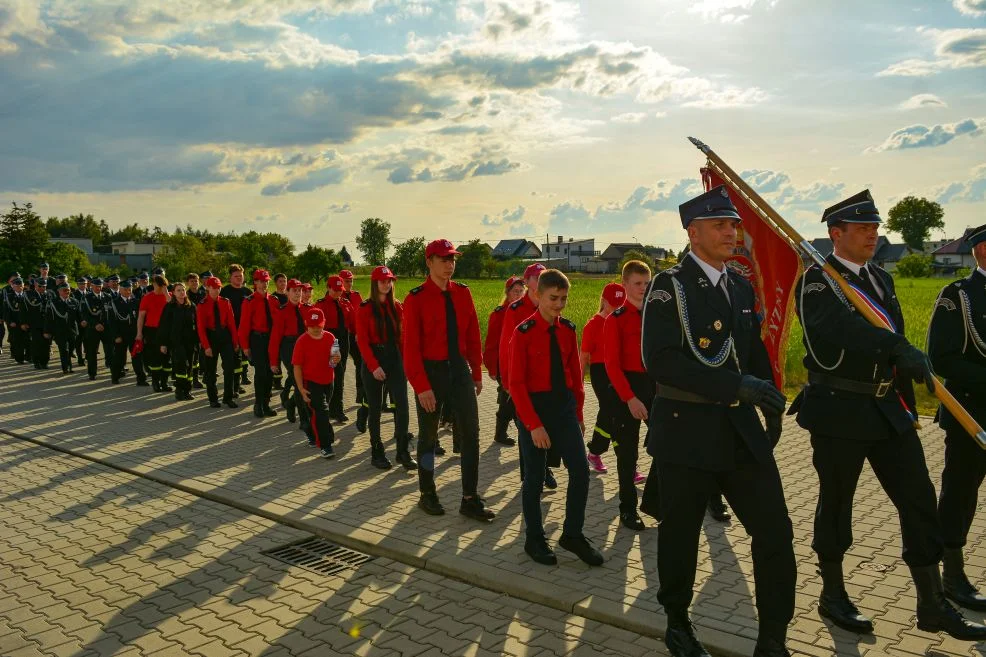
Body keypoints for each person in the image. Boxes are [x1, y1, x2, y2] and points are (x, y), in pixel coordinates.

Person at [790, 190, 986, 641]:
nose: (872, 236)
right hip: (839, 409)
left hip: (884, 409)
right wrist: (897, 348)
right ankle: (833, 594)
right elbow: (841, 331)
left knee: (918, 499)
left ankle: (932, 603)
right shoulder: (820, 280)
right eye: (862, 229)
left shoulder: (881, 278)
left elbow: (891, 336)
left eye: (875, 228)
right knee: (837, 504)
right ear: (835, 234)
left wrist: (908, 395)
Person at [642, 186, 794, 657]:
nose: (733, 232)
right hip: (685, 429)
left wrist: (768, 399)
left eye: (734, 225)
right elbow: (660, 361)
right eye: (721, 225)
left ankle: (772, 637)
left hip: (738, 433)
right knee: (681, 534)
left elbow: (752, 352)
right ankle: (677, 622)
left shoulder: (741, 286)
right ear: (693, 232)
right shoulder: (670, 286)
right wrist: (735, 387)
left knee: (775, 532)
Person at [508, 269, 603, 567]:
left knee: (580, 470)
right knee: (534, 478)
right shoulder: (522, 332)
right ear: (537, 296)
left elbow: (575, 376)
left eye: (563, 298)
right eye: (553, 298)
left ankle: (572, 534)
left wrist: (578, 414)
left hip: (563, 408)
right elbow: (516, 384)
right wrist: (533, 425)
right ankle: (533, 539)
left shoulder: (567, 329)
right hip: (534, 409)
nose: (559, 304)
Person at [403, 239, 495, 521]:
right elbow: (409, 348)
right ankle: (427, 492)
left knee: (471, 434)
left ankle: (469, 498)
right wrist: (422, 387)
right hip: (431, 373)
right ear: (429, 262)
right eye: (443, 259)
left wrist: (476, 373)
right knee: (429, 437)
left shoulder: (462, 294)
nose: (449, 264)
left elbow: (471, 335)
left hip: (459, 370)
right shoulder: (415, 298)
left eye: (452, 259)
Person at [928, 222, 986, 612]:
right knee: (960, 496)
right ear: (981, 251)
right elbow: (941, 358)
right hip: (972, 413)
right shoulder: (959, 296)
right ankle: (952, 574)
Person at [603, 260, 654, 530]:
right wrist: (630, 398)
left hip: (654, 387)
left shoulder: (656, 315)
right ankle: (627, 509)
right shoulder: (615, 320)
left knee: (667, 446)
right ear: (625, 285)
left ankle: (657, 503)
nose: (643, 288)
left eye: (647, 283)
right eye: (638, 283)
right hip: (627, 391)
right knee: (628, 455)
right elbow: (611, 365)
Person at [499, 263, 557, 489]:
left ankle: (545, 468)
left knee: (546, 424)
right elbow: (506, 347)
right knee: (526, 428)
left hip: (546, 379)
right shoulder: (515, 310)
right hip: (522, 380)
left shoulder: (550, 305)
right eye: (538, 277)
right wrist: (506, 379)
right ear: (529, 282)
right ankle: (531, 476)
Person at [356, 266, 417, 471]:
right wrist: (373, 366)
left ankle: (402, 451)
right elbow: (362, 342)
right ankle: (377, 451)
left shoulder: (397, 306)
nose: (386, 284)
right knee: (375, 409)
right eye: (382, 281)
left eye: (389, 280)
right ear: (375, 284)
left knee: (402, 406)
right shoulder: (365, 308)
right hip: (374, 358)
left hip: (394, 358)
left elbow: (403, 338)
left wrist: (406, 363)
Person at [581, 282, 624, 474]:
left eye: (620, 304)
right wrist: (579, 383)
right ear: (604, 301)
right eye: (613, 304)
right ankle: (626, 462)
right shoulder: (593, 325)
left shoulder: (623, 321)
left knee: (614, 414)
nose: (617, 308)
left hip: (619, 371)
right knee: (610, 409)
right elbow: (583, 356)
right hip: (600, 371)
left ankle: (595, 452)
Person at [292, 307, 343, 458]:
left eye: (319, 325)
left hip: (328, 381)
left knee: (318, 412)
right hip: (311, 383)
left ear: (324, 323)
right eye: (312, 325)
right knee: (322, 412)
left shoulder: (330, 338)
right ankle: (326, 447)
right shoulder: (301, 341)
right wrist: (301, 389)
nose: (315, 329)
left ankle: (309, 430)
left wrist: (336, 358)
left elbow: (334, 359)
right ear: (306, 324)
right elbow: (297, 367)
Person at [483, 276, 525, 447]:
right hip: (503, 364)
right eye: (515, 291)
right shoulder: (499, 314)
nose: (519, 294)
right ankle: (521, 431)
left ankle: (501, 432)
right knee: (511, 397)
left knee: (510, 399)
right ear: (507, 293)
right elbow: (491, 343)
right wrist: (492, 367)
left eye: (522, 291)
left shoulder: (526, 311)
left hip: (520, 362)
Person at [239, 269, 280, 418]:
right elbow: (244, 326)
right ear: (255, 283)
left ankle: (266, 404)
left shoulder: (273, 300)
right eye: (261, 281)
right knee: (261, 373)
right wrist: (245, 346)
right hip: (257, 340)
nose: (264, 284)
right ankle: (258, 404)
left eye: (266, 281)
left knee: (270, 372)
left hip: (271, 340)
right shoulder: (249, 301)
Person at [197, 276, 239, 409]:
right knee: (210, 371)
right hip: (211, 337)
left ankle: (228, 397)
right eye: (214, 288)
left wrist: (235, 341)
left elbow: (231, 323)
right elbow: (201, 328)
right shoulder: (202, 304)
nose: (216, 290)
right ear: (208, 288)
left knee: (229, 368)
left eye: (219, 288)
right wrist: (206, 346)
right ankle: (213, 399)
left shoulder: (225, 302)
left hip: (225, 336)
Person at [317, 275, 353, 423]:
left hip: (344, 340)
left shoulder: (345, 303)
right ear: (328, 288)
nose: (339, 293)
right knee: (333, 375)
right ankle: (335, 409)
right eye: (336, 290)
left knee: (340, 375)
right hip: (331, 342)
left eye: (340, 290)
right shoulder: (321, 305)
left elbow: (353, 321)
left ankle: (334, 408)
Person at [270, 279, 306, 424]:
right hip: (289, 347)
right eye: (294, 290)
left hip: (304, 346)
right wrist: (273, 362)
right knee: (298, 381)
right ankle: (304, 418)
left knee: (304, 381)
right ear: (287, 292)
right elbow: (275, 338)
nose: (297, 293)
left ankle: (291, 404)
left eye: (299, 290)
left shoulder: (308, 309)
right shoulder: (282, 311)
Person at [160, 282, 198, 401]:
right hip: (176, 341)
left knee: (190, 367)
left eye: (183, 290)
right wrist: (163, 343)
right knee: (181, 365)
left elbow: (197, 324)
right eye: (178, 290)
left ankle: (187, 391)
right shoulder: (169, 307)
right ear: (174, 293)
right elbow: (164, 326)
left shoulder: (191, 306)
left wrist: (199, 340)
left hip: (190, 341)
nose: (182, 292)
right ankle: (179, 390)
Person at [340, 270, 368, 431]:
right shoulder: (337, 296)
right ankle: (337, 403)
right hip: (344, 335)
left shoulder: (357, 296)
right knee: (340, 369)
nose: (349, 284)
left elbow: (362, 314)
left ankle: (360, 392)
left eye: (351, 281)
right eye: (346, 281)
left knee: (361, 363)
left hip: (356, 334)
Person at [137, 274, 173, 392]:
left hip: (167, 330)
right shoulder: (147, 297)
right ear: (153, 284)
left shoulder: (169, 296)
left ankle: (164, 382)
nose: (159, 287)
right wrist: (139, 333)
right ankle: (156, 382)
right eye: (158, 285)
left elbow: (171, 305)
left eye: (163, 285)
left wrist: (165, 292)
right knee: (155, 358)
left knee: (166, 358)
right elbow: (141, 317)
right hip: (152, 330)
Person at [106, 279, 145, 386]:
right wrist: (116, 336)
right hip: (121, 335)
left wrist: (140, 333)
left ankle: (141, 379)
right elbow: (111, 322)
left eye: (130, 289)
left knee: (137, 357)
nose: (128, 292)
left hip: (134, 334)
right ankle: (115, 377)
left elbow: (140, 318)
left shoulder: (136, 302)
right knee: (119, 357)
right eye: (126, 290)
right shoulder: (114, 303)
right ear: (120, 290)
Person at [221, 264, 251, 394]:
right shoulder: (225, 292)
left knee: (243, 358)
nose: (239, 278)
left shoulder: (248, 292)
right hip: (229, 331)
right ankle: (233, 384)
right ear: (230, 277)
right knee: (232, 359)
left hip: (245, 330)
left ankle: (239, 382)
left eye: (241, 275)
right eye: (236, 276)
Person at [44, 282, 79, 374]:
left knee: (71, 349)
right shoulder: (53, 302)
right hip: (59, 330)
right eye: (65, 290)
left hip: (72, 330)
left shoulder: (74, 301)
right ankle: (66, 368)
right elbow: (48, 318)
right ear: (59, 291)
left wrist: (83, 322)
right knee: (64, 350)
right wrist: (47, 331)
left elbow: (79, 316)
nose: (67, 292)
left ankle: (68, 365)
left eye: (68, 290)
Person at [21, 278, 50, 369]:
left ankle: (44, 362)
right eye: (40, 286)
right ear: (36, 286)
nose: (43, 288)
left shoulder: (49, 295)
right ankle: (36, 362)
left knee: (46, 344)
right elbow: (23, 310)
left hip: (47, 324)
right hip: (34, 324)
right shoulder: (29, 295)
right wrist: (23, 322)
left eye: (44, 286)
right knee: (37, 344)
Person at [3, 276, 28, 364]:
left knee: (28, 340)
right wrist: (10, 322)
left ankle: (29, 357)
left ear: (23, 285)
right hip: (15, 323)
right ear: (12, 286)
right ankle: (20, 359)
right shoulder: (9, 297)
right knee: (18, 341)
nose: (19, 287)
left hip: (26, 322)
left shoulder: (28, 295)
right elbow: (6, 312)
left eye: (21, 285)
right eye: (17, 285)